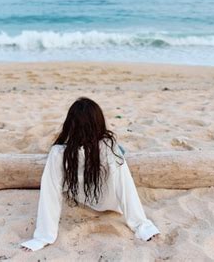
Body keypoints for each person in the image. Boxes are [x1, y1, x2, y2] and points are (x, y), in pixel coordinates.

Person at [20, 97, 160, 251]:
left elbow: (50, 193)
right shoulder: (108, 146)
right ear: (98, 124)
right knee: (118, 151)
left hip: (80, 197)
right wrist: (141, 225)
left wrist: (42, 237)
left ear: (69, 125)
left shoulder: (58, 153)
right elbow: (125, 185)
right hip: (110, 202)